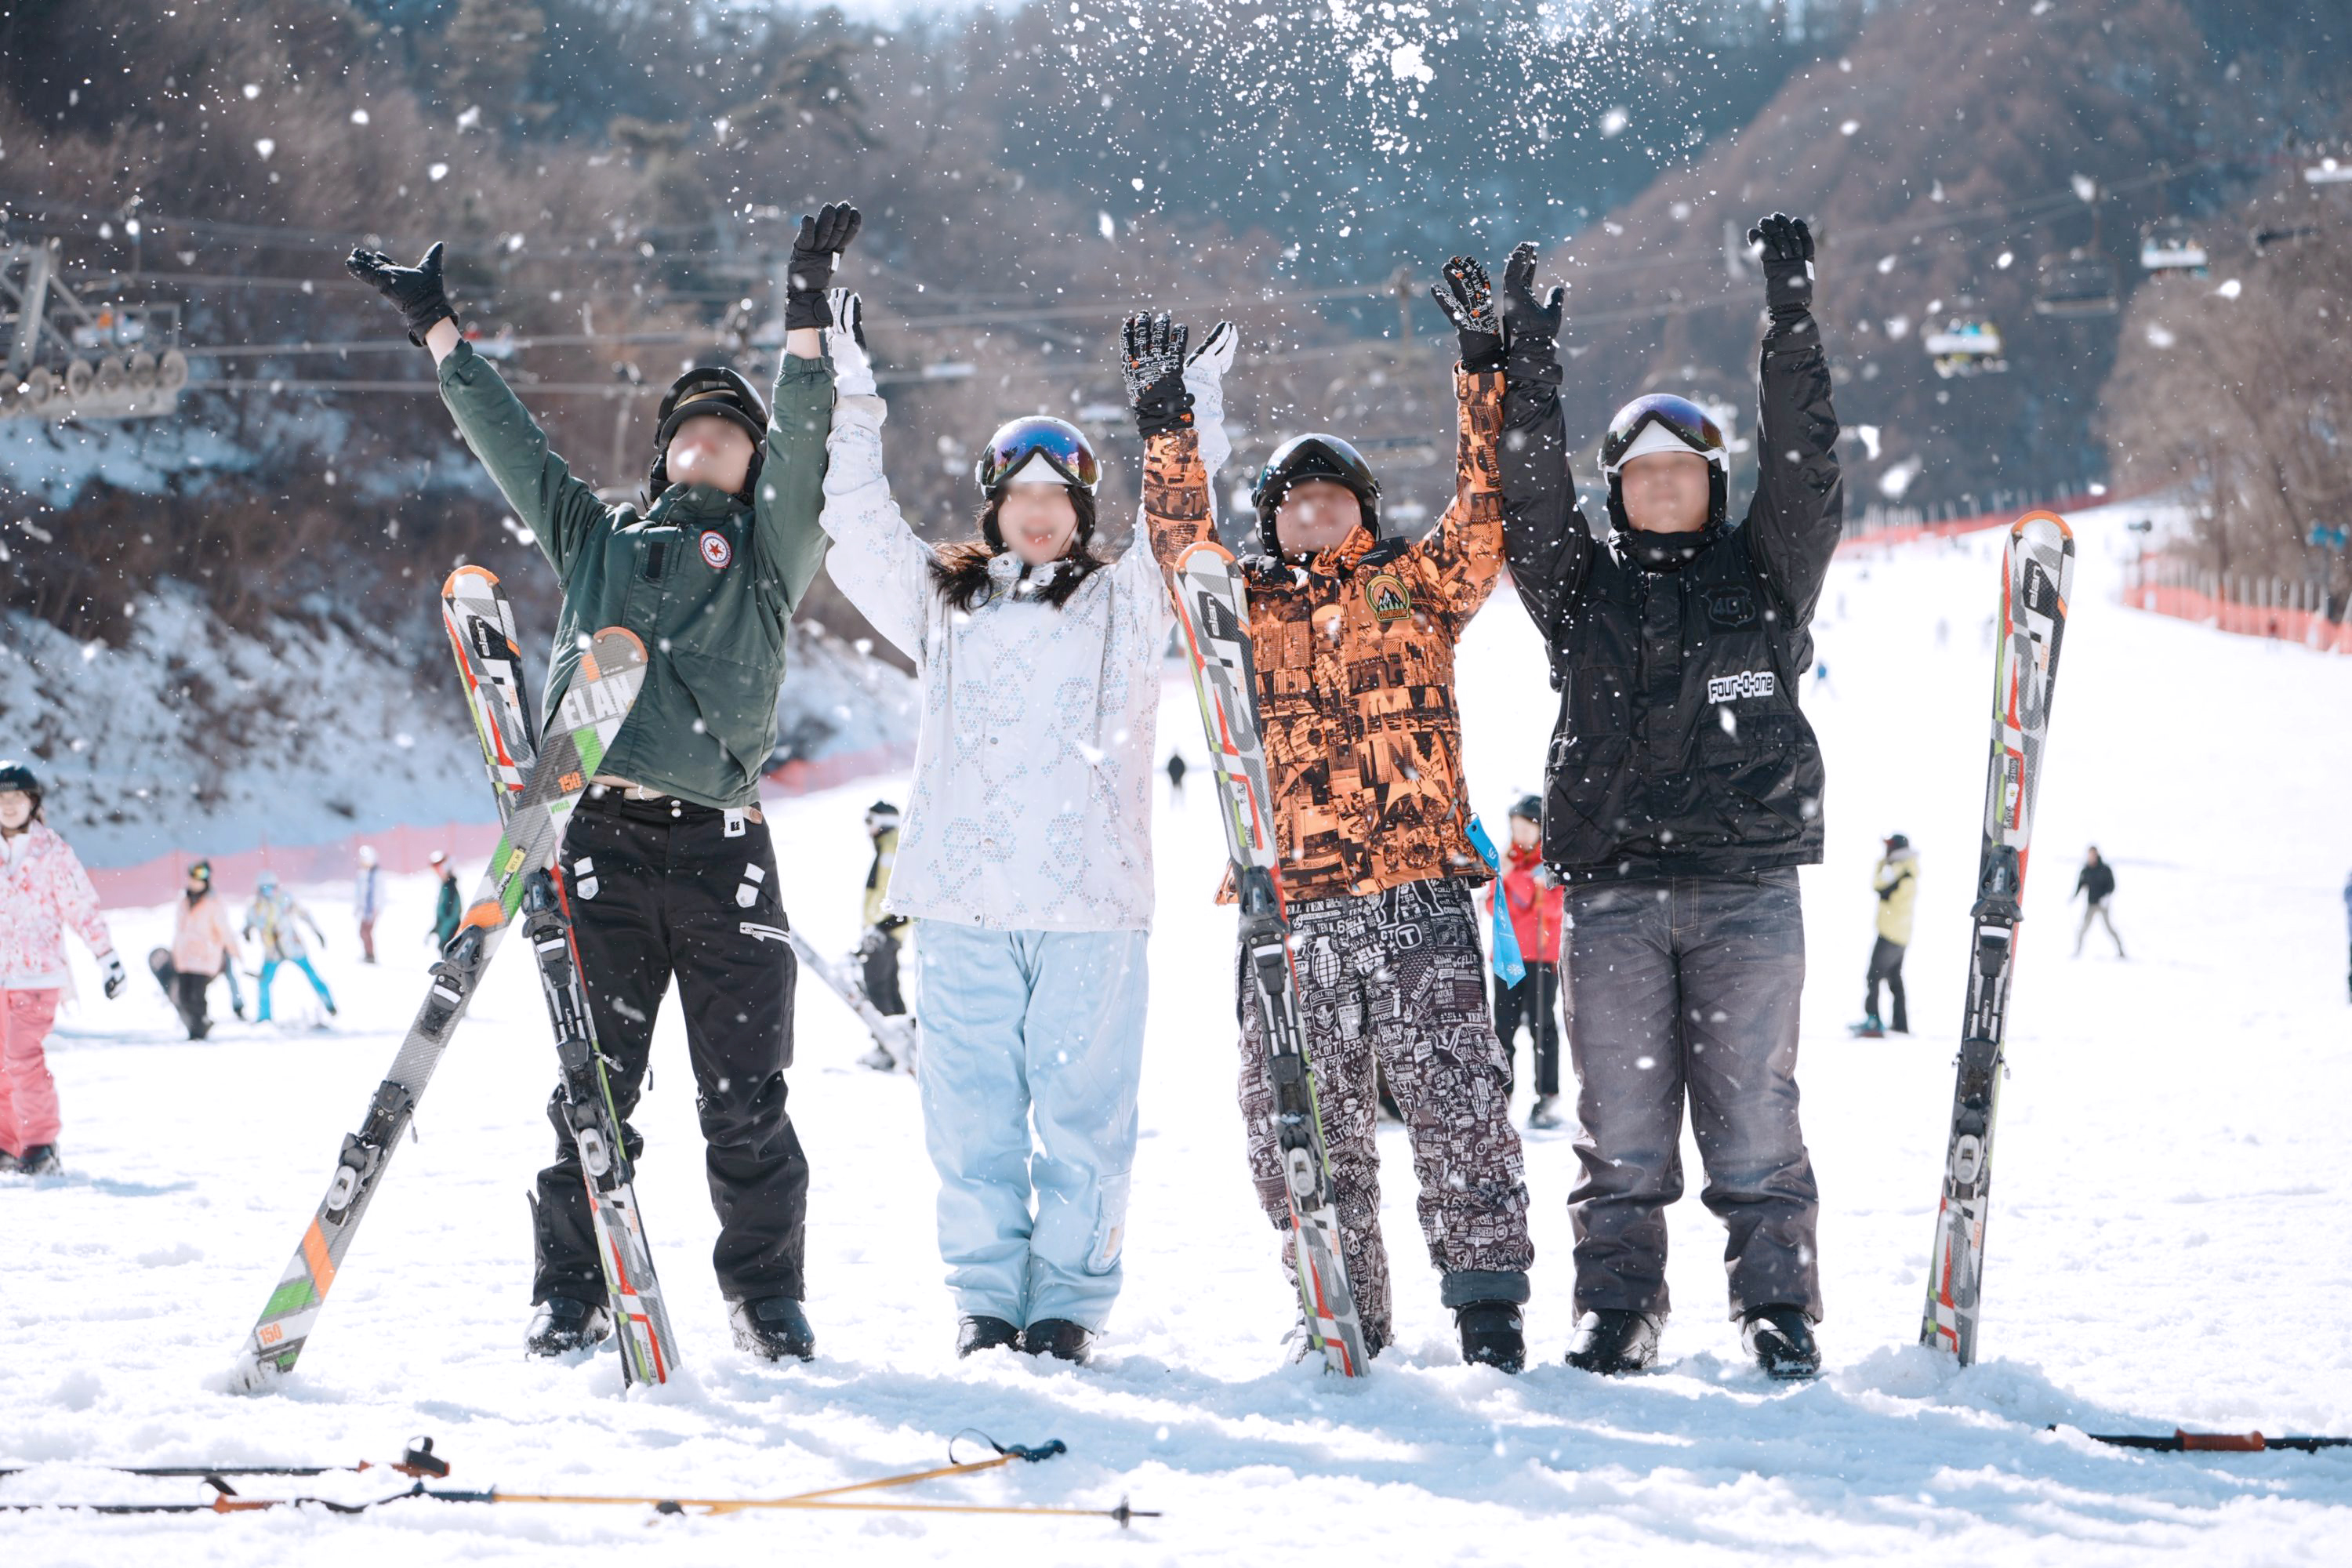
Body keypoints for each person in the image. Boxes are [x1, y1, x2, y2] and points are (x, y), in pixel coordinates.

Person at [346, 200, 855, 1364]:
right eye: (693, 425)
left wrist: (805, 313)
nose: (711, 437)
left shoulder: (770, 557)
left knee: (747, 1098)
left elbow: (811, 443)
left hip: (724, 850)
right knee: (592, 1087)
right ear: (664, 444)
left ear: (753, 461)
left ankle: (766, 1293)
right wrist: (439, 331)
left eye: (734, 429)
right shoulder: (599, 542)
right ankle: (571, 1285)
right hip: (599, 846)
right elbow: (510, 445)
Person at [814, 291, 1229, 1363]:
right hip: (964, 906)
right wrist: (851, 393)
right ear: (993, 506)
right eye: (1021, 495)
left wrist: (1183, 420)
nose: (1039, 514)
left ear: (1083, 514)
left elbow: (1182, 542)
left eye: (1059, 497)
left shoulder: (1126, 607)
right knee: (971, 1127)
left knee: (1086, 1127)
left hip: (1091, 908)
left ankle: (1069, 1307)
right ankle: (988, 1299)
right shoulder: (941, 606)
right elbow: (855, 524)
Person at [1496, 213, 1842, 1381]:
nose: (1660, 487)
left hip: (1747, 892)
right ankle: (1620, 1306)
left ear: (1711, 483)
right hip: (1616, 900)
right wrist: (1529, 380)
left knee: (1755, 1120)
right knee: (1623, 1131)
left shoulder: (1768, 574)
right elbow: (1529, 507)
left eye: (1680, 471)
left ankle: (1777, 1306)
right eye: (1639, 473)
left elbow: (1809, 471)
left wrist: (1787, 322)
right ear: (1618, 491)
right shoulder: (1577, 591)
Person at [1174, 254, 1535, 1372]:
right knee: (1297, 1124)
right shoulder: (1234, 615)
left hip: (1418, 895)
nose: (1312, 512)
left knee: (1460, 1106)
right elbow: (1176, 551)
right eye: (1292, 501)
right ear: (1270, 522)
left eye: (1333, 498)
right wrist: (1166, 430)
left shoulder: (1415, 589)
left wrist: (1483, 366)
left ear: (1366, 515)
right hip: (1296, 910)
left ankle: (1487, 1314)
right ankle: (1342, 1308)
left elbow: (1485, 511)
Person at [0, 761, 126, 1175]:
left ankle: (39, 1143)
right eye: (2, 799)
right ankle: (6, 1142)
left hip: (38, 975)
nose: (8, 806)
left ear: (32, 802)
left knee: (22, 1058)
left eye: (16, 798)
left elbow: (80, 905)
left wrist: (105, 955)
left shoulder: (50, 851)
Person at [1489, 795, 1566, 1131]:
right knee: (1502, 1029)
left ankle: (1546, 1095)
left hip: (1541, 956)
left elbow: (1551, 907)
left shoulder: (1548, 865)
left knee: (1542, 1028)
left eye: (1526, 828)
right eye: (1515, 828)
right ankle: (1500, 1096)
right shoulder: (1505, 864)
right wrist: (1509, 879)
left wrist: (1516, 881)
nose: (1520, 834)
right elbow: (1494, 908)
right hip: (1508, 958)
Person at [852, 799, 911, 1073]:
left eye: (870, 822)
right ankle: (903, 1042)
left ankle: (888, 1048)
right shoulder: (892, 847)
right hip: (885, 933)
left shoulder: (891, 850)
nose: (868, 830)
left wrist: (880, 928)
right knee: (888, 987)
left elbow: (902, 897)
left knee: (878, 990)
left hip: (884, 934)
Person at [244, 870, 338, 1023]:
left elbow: (304, 914)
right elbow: (249, 922)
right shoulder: (255, 906)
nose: (268, 891)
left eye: (271, 887)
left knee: (312, 976)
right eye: (264, 888)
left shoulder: (284, 899)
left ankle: (330, 1005)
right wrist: (246, 931)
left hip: (293, 948)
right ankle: (264, 1017)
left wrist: (316, 931)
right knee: (264, 982)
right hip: (272, 952)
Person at [167, 860, 242, 1040]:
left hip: (205, 957)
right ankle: (199, 1025)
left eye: (199, 878)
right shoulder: (183, 900)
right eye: (192, 878)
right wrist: (175, 953)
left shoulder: (214, 902)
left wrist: (234, 951)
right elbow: (180, 931)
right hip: (184, 958)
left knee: (197, 995)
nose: (195, 882)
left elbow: (224, 930)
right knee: (184, 996)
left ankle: (199, 1030)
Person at [1857, 833, 1918, 1036]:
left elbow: (1879, 887)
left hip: (1890, 933)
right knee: (1894, 980)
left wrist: (1881, 864)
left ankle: (1873, 1021)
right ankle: (1901, 1024)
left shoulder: (1900, 871)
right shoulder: (1908, 870)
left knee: (1873, 976)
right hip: (1900, 934)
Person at [2072, 845, 2125, 958]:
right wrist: (2074, 897)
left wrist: (2107, 897)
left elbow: (2112, 885)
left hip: (2103, 904)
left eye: (2093, 854)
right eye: (2090, 854)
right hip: (2091, 904)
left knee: (2109, 928)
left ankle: (2121, 951)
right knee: (2083, 928)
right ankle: (2078, 951)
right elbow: (2081, 884)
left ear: (2097, 854)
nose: (2091, 857)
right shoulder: (2086, 870)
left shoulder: (2105, 869)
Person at [354, 844, 383, 964]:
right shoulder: (363, 874)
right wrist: (357, 907)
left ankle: (370, 955)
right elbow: (360, 894)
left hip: (372, 909)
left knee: (365, 931)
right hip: (365, 909)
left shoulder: (376, 875)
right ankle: (368, 953)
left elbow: (379, 893)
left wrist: (376, 908)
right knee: (362, 931)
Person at [428, 851, 462, 953]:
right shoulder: (445, 885)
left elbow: (452, 914)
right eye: (434, 868)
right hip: (446, 936)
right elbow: (443, 912)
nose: (437, 871)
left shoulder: (450, 886)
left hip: (449, 936)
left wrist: (446, 938)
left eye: (439, 867)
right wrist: (436, 928)